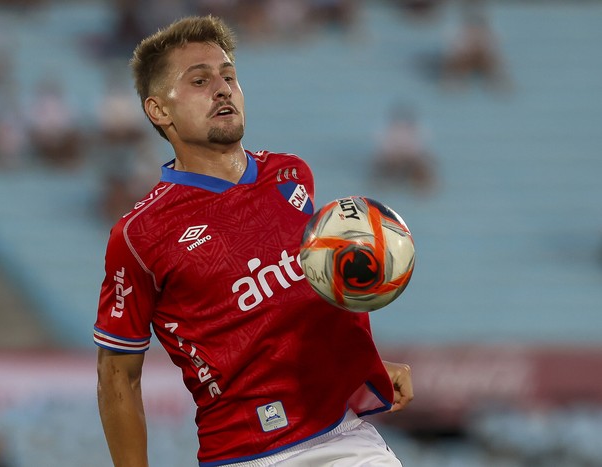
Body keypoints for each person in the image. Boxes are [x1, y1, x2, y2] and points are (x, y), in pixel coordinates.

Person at [94, 15, 413, 467]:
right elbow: (117, 375)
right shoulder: (139, 235)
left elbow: (308, 297)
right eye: (200, 81)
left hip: (344, 438)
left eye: (229, 76)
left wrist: (371, 365)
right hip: (242, 454)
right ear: (158, 111)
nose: (223, 89)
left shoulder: (292, 174)